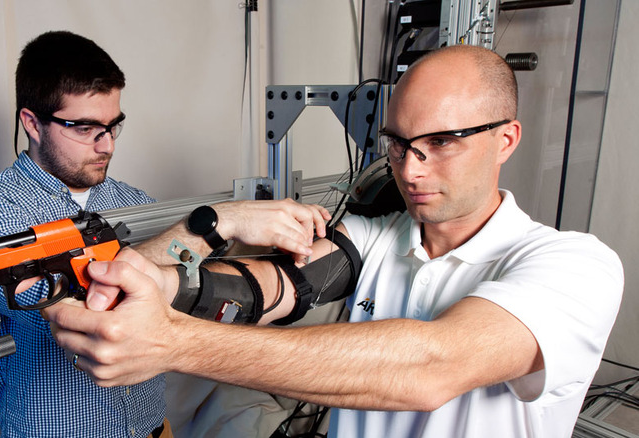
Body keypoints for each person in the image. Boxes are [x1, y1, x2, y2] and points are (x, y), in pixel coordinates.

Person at [41, 45, 624, 438]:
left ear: (506, 139)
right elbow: (266, 288)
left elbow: (430, 367)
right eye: (397, 144)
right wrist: (164, 280)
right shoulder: (375, 237)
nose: (411, 170)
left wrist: (173, 343)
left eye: (440, 142)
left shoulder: (575, 267)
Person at [0, 30, 328, 438]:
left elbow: (186, 293)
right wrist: (217, 222)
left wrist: (260, 243)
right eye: (85, 128)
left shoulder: (134, 201)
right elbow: (83, 315)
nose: (106, 144)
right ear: (32, 123)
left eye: (114, 126)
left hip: (151, 428)